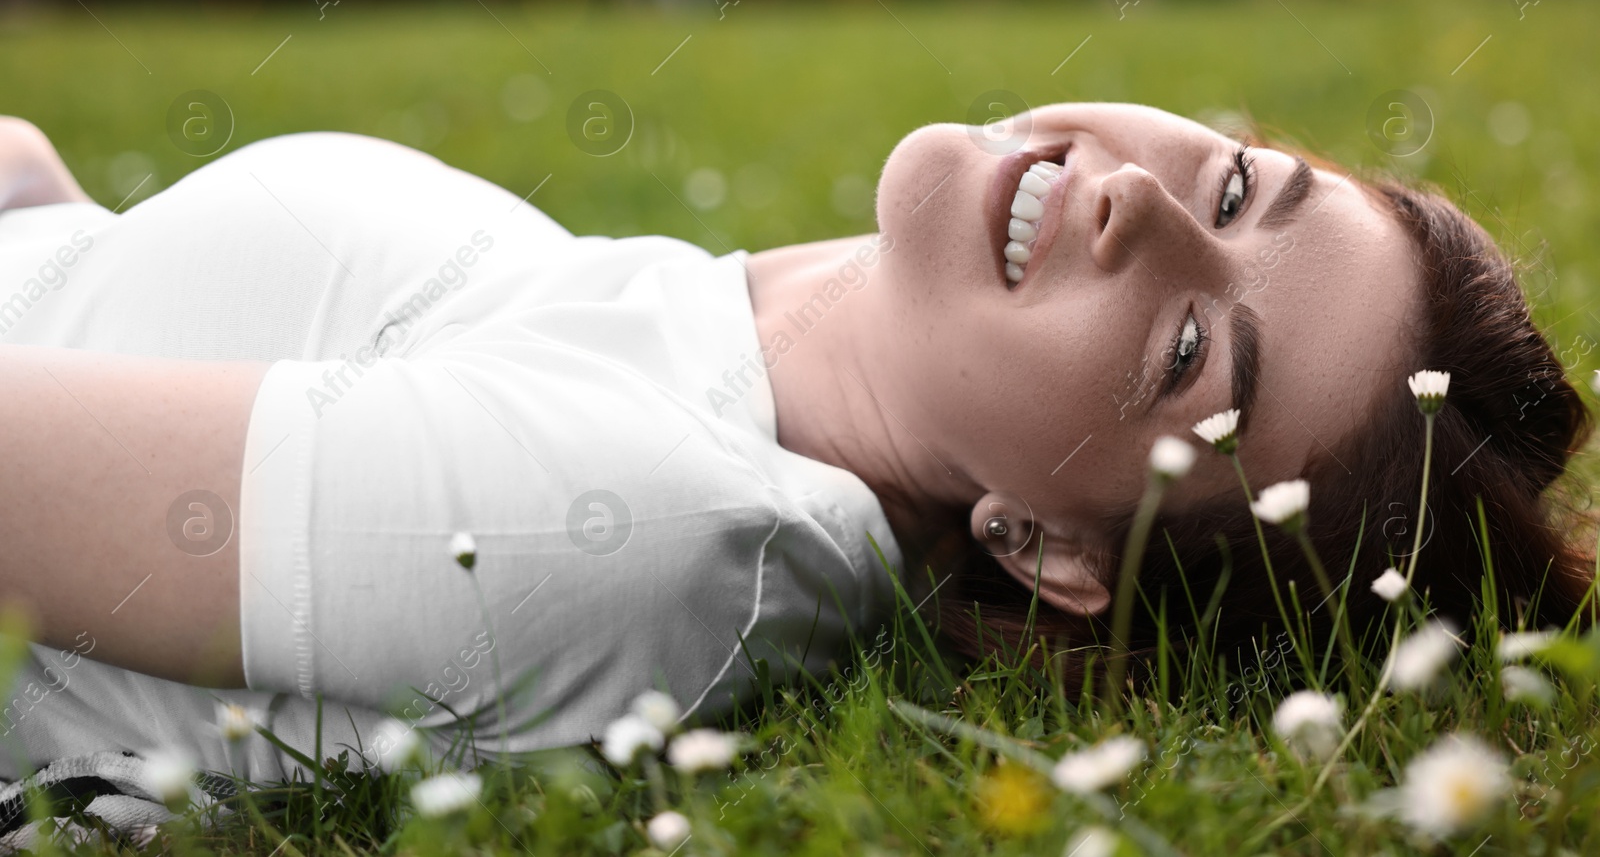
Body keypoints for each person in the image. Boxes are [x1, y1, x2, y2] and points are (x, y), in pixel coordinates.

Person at [0, 102, 1585, 784]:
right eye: (1240, 188)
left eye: (1189, 351)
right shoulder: (721, 352)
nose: (1149, 203)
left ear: (1050, 547)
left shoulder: (630, 527)